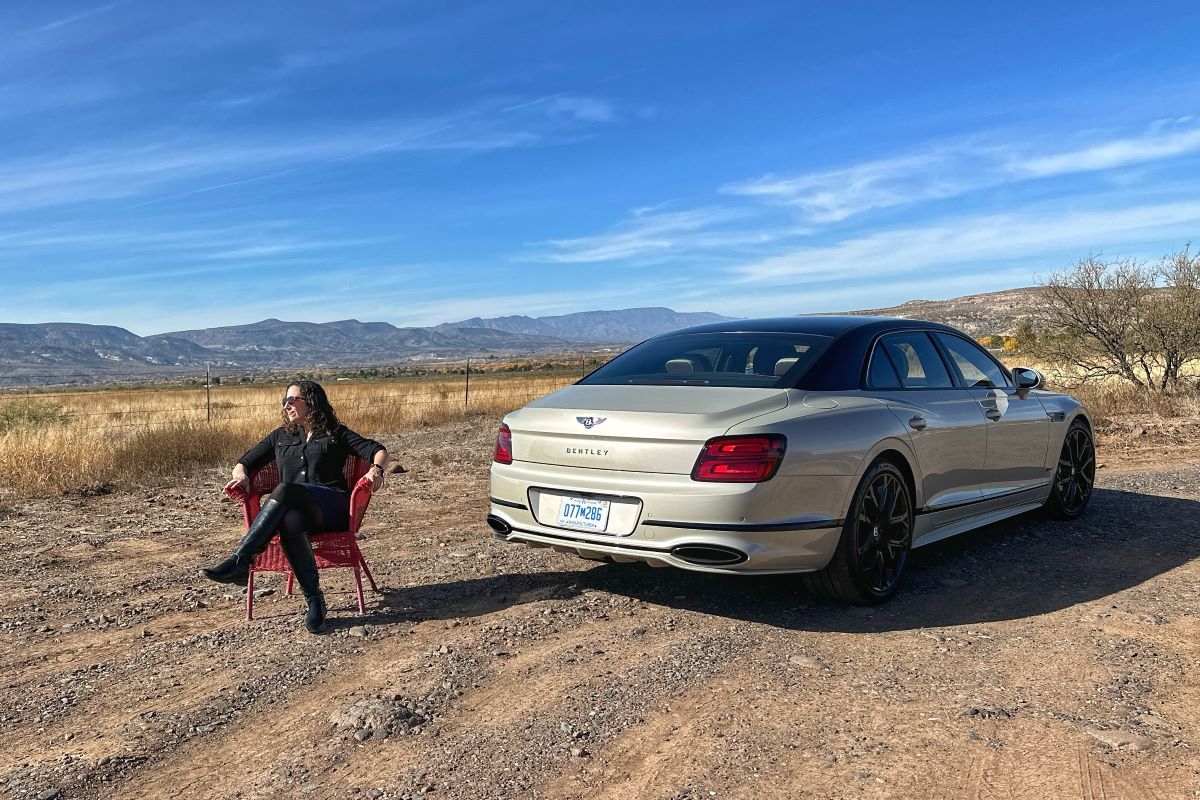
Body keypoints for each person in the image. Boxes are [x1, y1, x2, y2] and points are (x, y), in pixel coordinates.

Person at [202, 380, 388, 634]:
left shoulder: (335, 433)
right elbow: (244, 461)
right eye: (285, 401)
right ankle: (315, 601)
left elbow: (377, 450)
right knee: (290, 520)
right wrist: (242, 475)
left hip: (331, 508)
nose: (287, 405)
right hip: (300, 514)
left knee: (285, 489)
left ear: (311, 402)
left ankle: (242, 560)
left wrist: (376, 470)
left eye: (293, 400)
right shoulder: (281, 436)